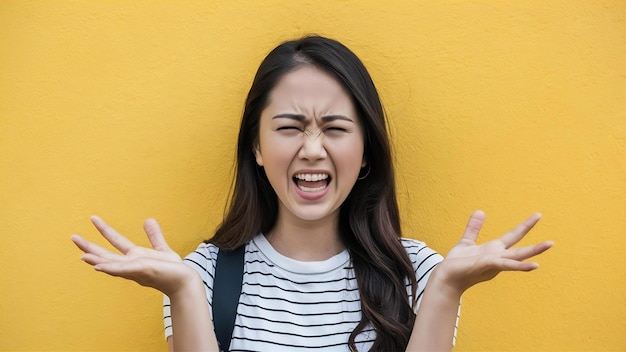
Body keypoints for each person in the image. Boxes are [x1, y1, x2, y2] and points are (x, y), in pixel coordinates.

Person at [71, 35, 553, 352]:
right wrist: (181, 291)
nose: (313, 149)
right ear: (257, 147)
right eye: (290, 127)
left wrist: (448, 288)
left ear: (366, 152)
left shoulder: (422, 272)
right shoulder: (203, 275)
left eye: (336, 128)